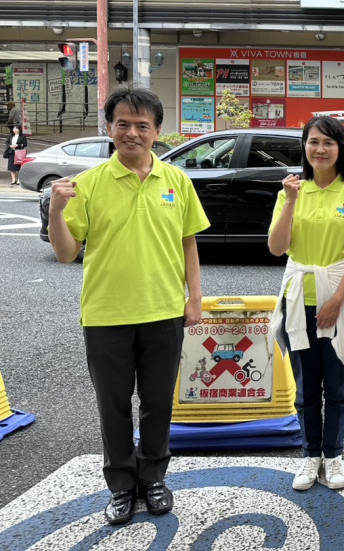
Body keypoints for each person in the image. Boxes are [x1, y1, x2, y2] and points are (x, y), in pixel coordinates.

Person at [47, 86, 209, 526]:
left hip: (164, 312)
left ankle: (153, 477)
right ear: (109, 127)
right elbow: (65, 253)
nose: (132, 133)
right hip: (106, 315)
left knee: (158, 404)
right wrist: (56, 212)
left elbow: (188, 242)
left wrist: (194, 299)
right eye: (123, 124)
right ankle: (121, 485)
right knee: (113, 406)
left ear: (157, 131)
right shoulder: (89, 184)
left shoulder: (176, 181)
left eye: (142, 125)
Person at [268, 115, 344, 493]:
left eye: (328, 143)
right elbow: (277, 248)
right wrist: (291, 201)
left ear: (341, 149)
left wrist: (334, 301)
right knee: (305, 388)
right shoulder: (291, 192)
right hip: (299, 301)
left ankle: (334, 456)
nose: (320, 149)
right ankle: (310, 455)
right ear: (305, 146)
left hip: (340, 300)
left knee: (338, 384)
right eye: (314, 142)